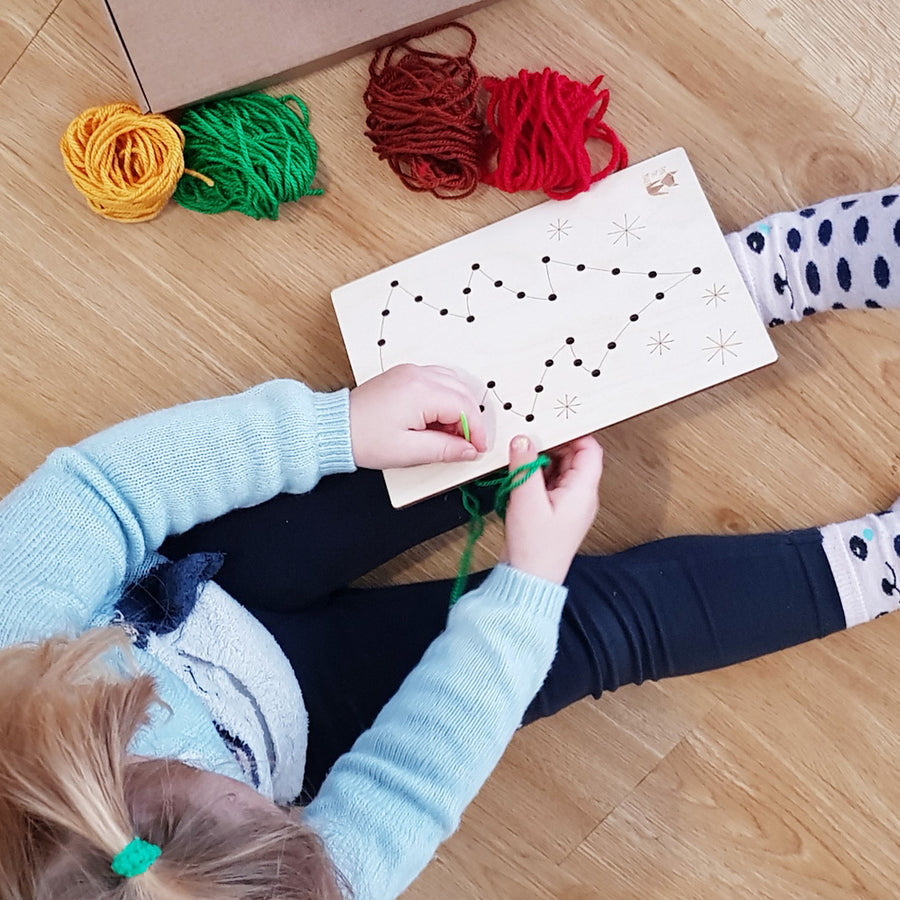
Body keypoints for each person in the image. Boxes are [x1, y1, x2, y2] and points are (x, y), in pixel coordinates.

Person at [0, 186, 896, 900]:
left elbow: (105, 491)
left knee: (487, 411)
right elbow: (406, 786)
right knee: (600, 634)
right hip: (304, 718)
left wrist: (336, 427)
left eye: (214, 784)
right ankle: (883, 566)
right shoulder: (292, 888)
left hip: (205, 582)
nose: (276, 810)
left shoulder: (14, 640)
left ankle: (778, 269)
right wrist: (529, 593)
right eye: (285, 822)